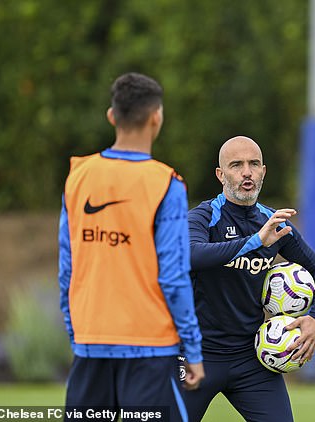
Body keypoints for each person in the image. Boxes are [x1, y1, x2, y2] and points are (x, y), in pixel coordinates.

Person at [58, 72, 205, 421]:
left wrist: (76, 327)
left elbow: (68, 264)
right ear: (157, 117)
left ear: (112, 116)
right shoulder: (165, 184)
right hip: (149, 349)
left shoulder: (78, 175)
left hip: (90, 344)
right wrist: (193, 350)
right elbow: (173, 276)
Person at [183, 135, 315, 422]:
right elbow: (192, 255)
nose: (246, 172)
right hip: (196, 355)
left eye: (253, 164)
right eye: (236, 165)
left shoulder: (272, 222)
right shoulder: (203, 217)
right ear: (220, 174)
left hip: (251, 359)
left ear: (263, 171)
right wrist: (255, 241)